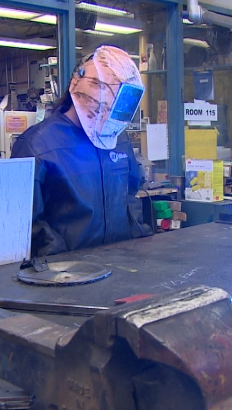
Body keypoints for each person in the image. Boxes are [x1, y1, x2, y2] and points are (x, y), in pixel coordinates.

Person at [12, 45, 152, 257]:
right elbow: (25, 223)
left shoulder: (117, 139)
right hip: (65, 276)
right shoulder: (36, 145)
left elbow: (129, 196)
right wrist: (63, 263)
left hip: (120, 264)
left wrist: (140, 242)